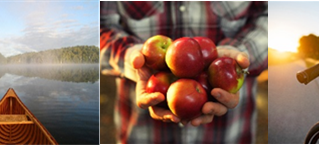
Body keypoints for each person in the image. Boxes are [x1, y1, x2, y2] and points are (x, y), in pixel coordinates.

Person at [100, 1, 267, 144]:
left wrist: (240, 54)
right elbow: (99, 26)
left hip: (230, 130)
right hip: (142, 130)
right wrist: (134, 58)